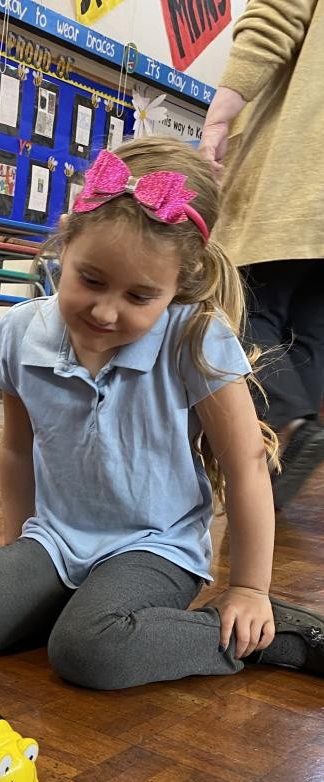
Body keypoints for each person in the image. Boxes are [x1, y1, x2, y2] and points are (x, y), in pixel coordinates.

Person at [0, 138, 324, 689]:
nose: (106, 311)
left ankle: (264, 639)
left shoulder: (196, 338)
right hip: (58, 539)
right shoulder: (17, 334)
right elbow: (16, 450)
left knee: (91, 651)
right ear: (65, 243)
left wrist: (248, 589)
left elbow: (247, 464)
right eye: (90, 280)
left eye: (140, 296)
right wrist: (17, 548)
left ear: (183, 283)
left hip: (154, 545)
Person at [198, 0, 324, 509]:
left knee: (244, 306)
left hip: (296, 166)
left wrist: (219, 117)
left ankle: (287, 419)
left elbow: (275, 17)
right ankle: (286, 449)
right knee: (312, 327)